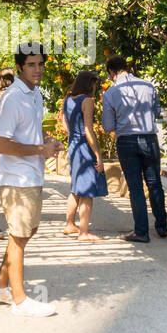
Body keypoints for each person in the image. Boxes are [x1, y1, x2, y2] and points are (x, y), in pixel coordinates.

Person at [0, 42, 65, 317]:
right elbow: (2, 144)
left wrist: (47, 142)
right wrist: (38, 150)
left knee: (25, 232)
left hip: (32, 175)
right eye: (31, 64)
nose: (38, 69)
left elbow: (28, 134)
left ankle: (0, 286)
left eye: (41, 64)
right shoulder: (11, 98)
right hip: (16, 179)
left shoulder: (35, 95)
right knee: (19, 236)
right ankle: (20, 302)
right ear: (19, 67)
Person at [101, 56, 167, 242]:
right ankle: (162, 227)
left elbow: (107, 126)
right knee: (155, 183)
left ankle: (141, 232)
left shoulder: (110, 93)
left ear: (111, 72)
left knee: (136, 187)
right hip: (149, 139)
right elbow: (159, 114)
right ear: (126, 67)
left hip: (126, 142)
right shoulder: (148, 86)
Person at [59, 70, 108, 240]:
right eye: (94, 84)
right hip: (84, 148)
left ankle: (70, 224)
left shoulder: (67, 100)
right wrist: (98, 154)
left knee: (76, 189)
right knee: (86, 191)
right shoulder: (87, 101)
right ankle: (84, 232)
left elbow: (65, 127)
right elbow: (88, 130)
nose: (96, 88)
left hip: (73, 147)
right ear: (89, 84)